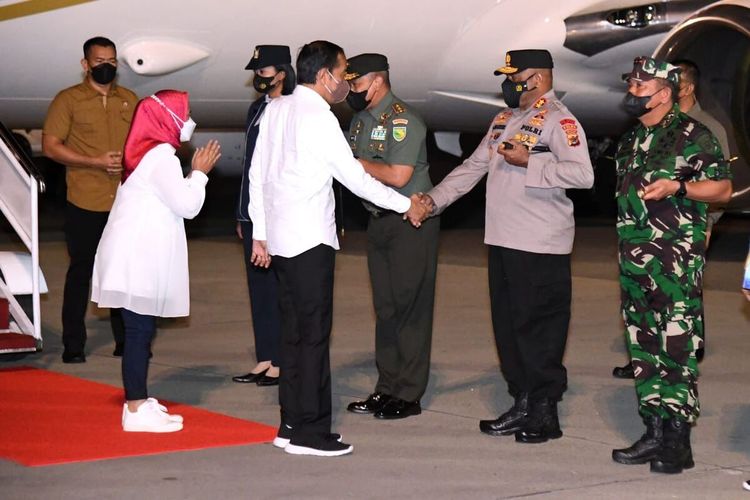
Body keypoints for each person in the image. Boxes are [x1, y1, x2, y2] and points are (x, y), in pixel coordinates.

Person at [248, 40, 426, 457]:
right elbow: (354, 178)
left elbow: (257, 175)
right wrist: (406, 205)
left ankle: (290, 424)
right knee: (312, 339)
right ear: (324, 74)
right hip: (309, 241)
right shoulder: (318, 116)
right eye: (342, 71)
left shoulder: (275, 108)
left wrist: (261, 232)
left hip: (282, 240)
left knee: (292, 337)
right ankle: (312, 434)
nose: (345, 80)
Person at [418, 49, 594, 443]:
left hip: (539, 244)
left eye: (516, 76)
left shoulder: (560, 120)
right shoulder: (504, 120)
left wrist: (530, 162)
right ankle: (523, 401)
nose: (509, 84)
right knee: (510, 329)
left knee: (539, 330)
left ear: (539, 78)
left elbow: (583, 174)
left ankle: (545, 412)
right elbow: (472, 168)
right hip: (501, 240)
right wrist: (433, 200)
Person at [610, 57, 731, 474]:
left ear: (664, 92)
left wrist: (679, 186)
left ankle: (678, 441)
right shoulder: (629, 141)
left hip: (675, 263)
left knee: (676, 348)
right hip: (635, 265)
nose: (633, 93)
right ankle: (654, 430)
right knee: (644, 348)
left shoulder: (695, 135)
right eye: (632, 84)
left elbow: (723, 188)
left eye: (641, 87)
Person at [91, 90, 221, 432]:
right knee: (139, 332)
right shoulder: (161, 157)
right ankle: (134, 409)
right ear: (168, 119)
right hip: (136, 258)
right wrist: (201, 173)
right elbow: (187, 206)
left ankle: (139, 400)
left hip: (133, 255)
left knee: (139, 331)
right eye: (186, 113)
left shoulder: (148, 155)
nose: (190, 120)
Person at [343, 53, 439, 420]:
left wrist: (354, 164)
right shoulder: (360, 121)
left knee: (410, 308)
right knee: (385, 309)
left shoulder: (404, 120)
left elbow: (399, 176)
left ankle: (409, 393)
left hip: (410, 224)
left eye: (357, 83)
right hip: (378, 221)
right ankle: (387, 388)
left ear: (377, 82)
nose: (352, 90)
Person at [42, 36, 137, 363]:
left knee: (123, 274)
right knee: (81, 272)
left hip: (123, 202)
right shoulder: (68, 100)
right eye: (100, 61)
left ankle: (126, 343)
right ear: (85, 64)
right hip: (85, 200)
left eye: (112, 61)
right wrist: (93, 161)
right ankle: (73, 346)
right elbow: (51, 146)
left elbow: (143, 143)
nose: (107, 66)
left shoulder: (129, 99)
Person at [232, 45, 296, 387]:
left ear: (282, 73)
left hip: (277, 212)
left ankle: (283, 361)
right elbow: (249, 167)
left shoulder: (293, 108)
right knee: (259, 288)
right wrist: (243, 214)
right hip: (252, 212)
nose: (259, 77)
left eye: (264, 71)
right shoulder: (257, 108)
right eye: (256, 71)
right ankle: (266, 356)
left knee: (280, 287)